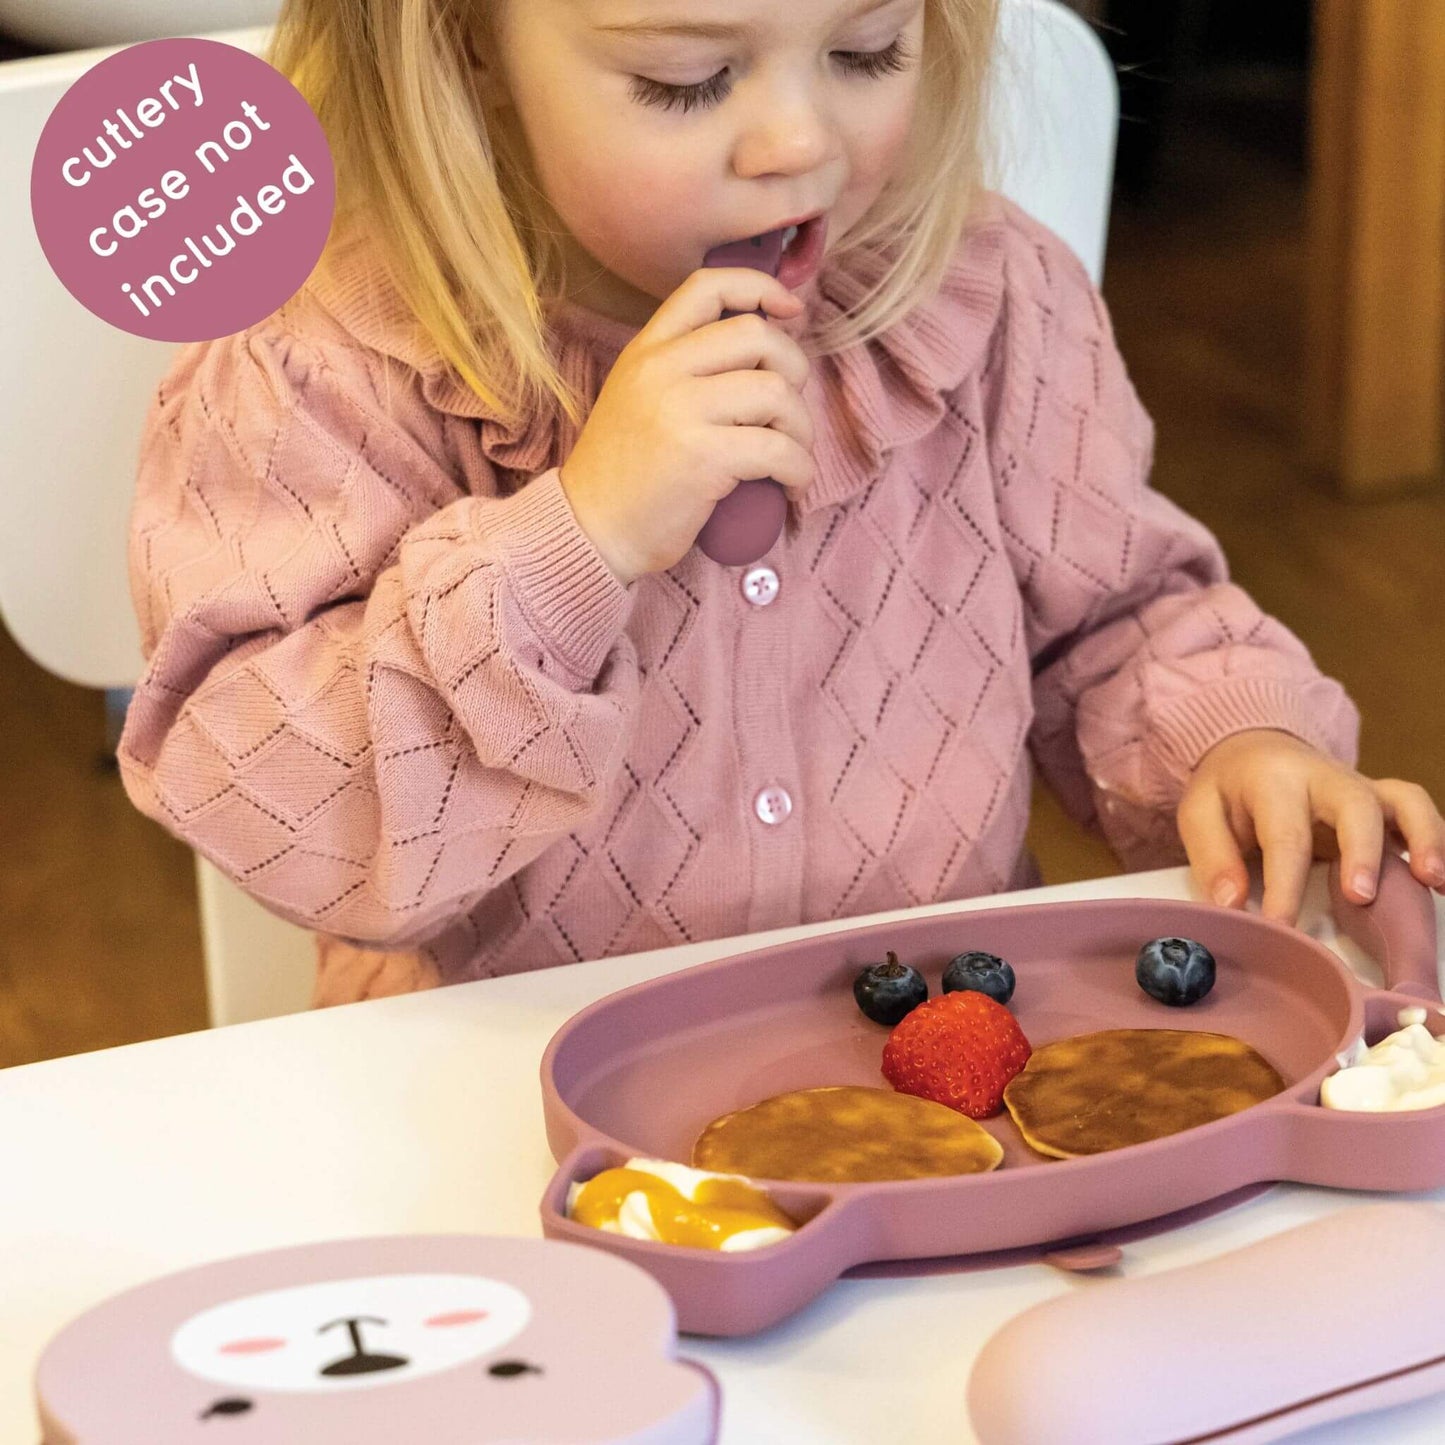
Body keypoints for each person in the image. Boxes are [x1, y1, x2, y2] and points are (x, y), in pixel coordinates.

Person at [118, 0, 1445, 1005]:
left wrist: (1233, 744)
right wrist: (577, 542)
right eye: (686, 80)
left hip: (940, 1088)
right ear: (467, 43)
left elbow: (1115, 619)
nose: (800, 141)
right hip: (496, 1134)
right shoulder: (313, 365)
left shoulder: (987, 304)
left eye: (867, 50)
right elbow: (283, 802)